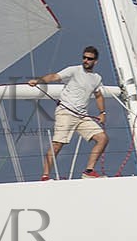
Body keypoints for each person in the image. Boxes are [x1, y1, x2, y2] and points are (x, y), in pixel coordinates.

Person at [27, 46, 108, 180]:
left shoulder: (97, 78)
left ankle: (89, 171)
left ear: (95, 61)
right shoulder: (74, 70)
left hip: (82, 116)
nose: (86, 60)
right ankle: (45, 176)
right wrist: (38, 81)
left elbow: (98, 95)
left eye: (89, 59)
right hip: (66, 112)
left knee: (102, 138)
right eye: (84, 57)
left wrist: (102, 113)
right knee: (58, 144)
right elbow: (54, 76)